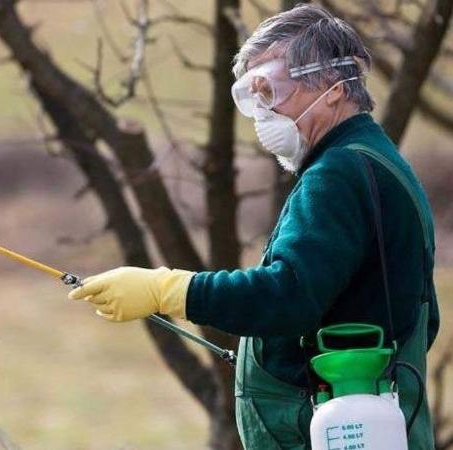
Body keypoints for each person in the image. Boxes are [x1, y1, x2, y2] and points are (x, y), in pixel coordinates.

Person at [68, 4, 439, 449]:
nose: (263, 111)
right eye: (253, 95)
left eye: (273, 89)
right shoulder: (374, 161)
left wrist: (168, 291)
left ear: (336, 88)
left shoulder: (339, 174)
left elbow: (288, 296)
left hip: (342, 433)